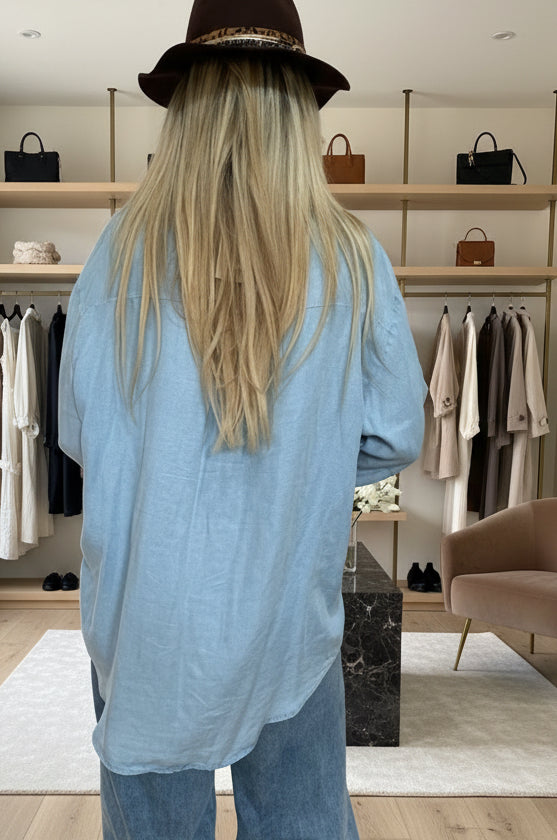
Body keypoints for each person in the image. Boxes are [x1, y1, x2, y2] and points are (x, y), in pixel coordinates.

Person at [58, 0, 427, 837]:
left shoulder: (119, 255)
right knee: (301, 824)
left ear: (187, 107)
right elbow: (395, 431)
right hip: (283, 614)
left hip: (144, 623)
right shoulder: (349, 258)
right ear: (297, 110)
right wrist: (304, 465)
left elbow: (81, 434)